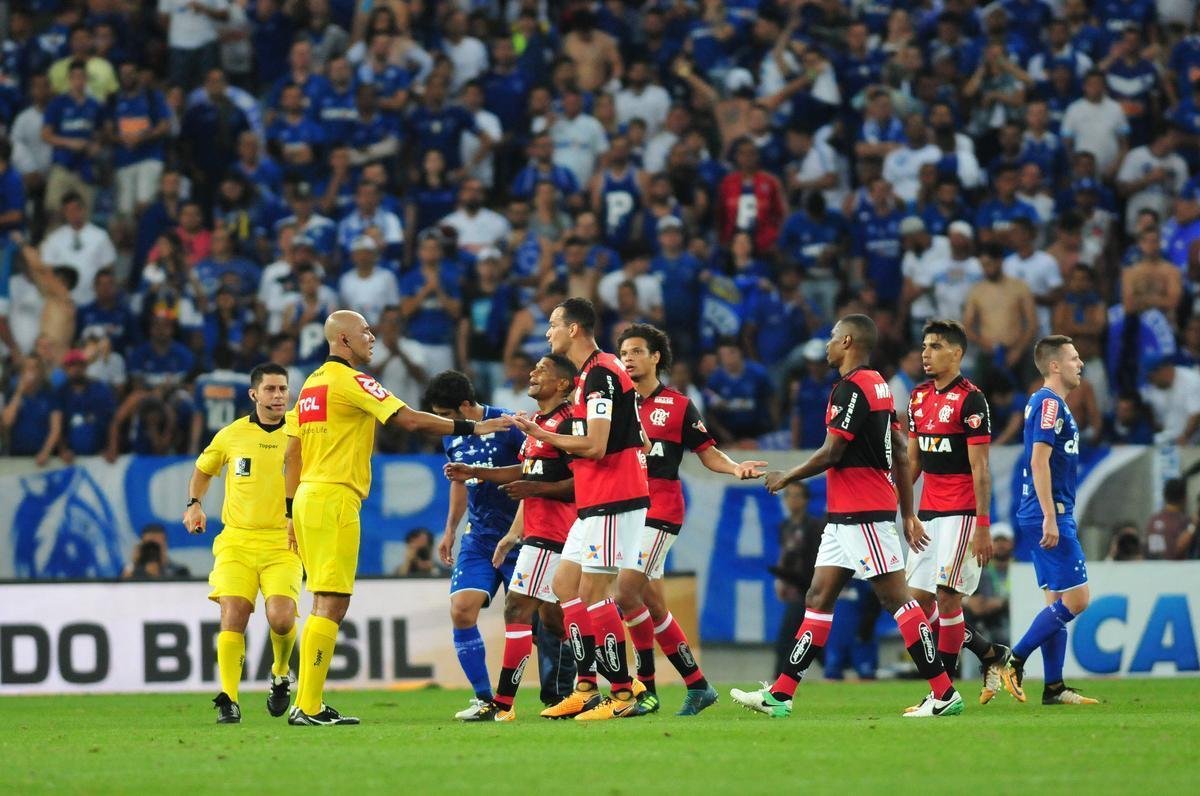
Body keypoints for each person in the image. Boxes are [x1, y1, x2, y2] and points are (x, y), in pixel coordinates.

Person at [282, 310, 512, 726]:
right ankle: (309, 705)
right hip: (334, 497)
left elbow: (292, 452)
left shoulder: (311, 386)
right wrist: (472, 429)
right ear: (344, 341)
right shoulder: (352, 380)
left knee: (322, 599)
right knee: (332, 600)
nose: (373, 338)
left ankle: (307, 702)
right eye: (365, 332)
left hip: (309, 498)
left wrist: (289, 510)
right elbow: (406, 418)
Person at [731, 314, 963, 719]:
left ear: (849, 341)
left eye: (833, 337)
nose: (827, 344)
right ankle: (781, 696)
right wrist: (907, 513)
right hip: (844, 517)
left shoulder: (852, 388)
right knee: (818, 596)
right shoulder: (878, 385)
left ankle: (944, 693)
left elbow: (832, 451)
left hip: (863, 512)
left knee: (897, 599)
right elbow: (900, 448)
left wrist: (787, 475)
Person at [510, 298, 651, 721]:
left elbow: (596, 445)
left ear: (573, 329)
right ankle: (587, 687)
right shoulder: (592, 374)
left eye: (553, 324)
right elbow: (639, 438)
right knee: (564, 584)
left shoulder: (603, 372)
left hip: (614, 496)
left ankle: (624, 694)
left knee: (593, 592)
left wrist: (543, 435)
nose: (548, 331)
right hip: (593, 499)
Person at [617, 323, 766, 715]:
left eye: (635, 351)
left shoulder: (678, 406)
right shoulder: (613, 403)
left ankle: (645, 691)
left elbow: (707, 451)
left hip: (661, 510)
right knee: (653, 605)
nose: (628, 358)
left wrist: (735, 469)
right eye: (623, 352)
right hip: (625, 512)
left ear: (656, 357)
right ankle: (698, 685)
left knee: (623, 594)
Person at [446, 354, 579, 722]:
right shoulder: (537, 423)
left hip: (557, 532)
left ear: (563, 384)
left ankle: (507, 702)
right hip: (533, 531)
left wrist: (537, 491)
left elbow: (580, 481)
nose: (533, 374)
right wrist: (512, 530)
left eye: (542, 371)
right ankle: (581, 689)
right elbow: (526, 474)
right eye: (534, 369)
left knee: (531, 613)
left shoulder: (571, 423)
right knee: (548, 617)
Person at [182, 362, 300, 724]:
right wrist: (194, 504)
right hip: (236, 540)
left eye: (283, 389)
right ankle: (229, 698)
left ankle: (281, 673)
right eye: (271, 389)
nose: (278, 396)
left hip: (284, 541)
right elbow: (203, 470)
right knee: (233, 614)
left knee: (281, 619)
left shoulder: (301, 434)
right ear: (253, 394)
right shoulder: (231, 435)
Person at [904, 320, 1011, 707]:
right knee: (913, 604)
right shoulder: (917, 398)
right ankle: (991, 654)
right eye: (924, 346)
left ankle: (942, 693)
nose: (925, 354)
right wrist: (902, 509)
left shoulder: (971, 400)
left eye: (935, 346)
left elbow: (980, 469)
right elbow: (912, 462)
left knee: (948, 598)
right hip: (928, 513)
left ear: (957, 353)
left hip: (962, 513)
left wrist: (983, 525)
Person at [1001, 335, 1099, 706]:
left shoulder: (1051, 404)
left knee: (1056, 601)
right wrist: (1049, 517)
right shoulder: (1048, 403)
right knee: (1078, 599)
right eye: (1074, 358)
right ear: (1054, 365)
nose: (1080, 364)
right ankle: (1016, 659)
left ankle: (1054, 688)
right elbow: (1038, 461)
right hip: (1050, 511)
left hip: (1046, 510)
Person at [425, 370, 526, 721]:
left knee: (543, 622)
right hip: (479, 538)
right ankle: (486, 700)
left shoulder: (507, 425)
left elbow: (531, 471)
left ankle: (573, 689)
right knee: (461, 610)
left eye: (447, 414)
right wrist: (450, 528)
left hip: (521, 537)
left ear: (467, 405)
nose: (442, 421)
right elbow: (458, 480)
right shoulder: (451, 436)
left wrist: (478, 472)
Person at [1144, 479, 1194, 560]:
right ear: (1184, 498)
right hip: (1178, 571)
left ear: (1164, 496)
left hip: (1155, 570)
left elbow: (1151, 551)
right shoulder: (1186, 522)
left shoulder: (1153, 521)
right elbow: (1178, 549)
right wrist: (1193, 526)